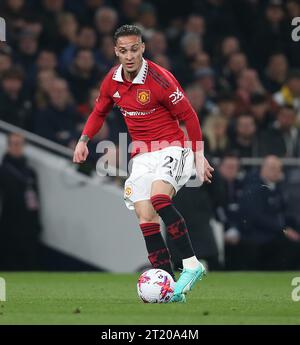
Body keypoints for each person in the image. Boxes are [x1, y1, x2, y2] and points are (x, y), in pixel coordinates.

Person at [73, 25, 214, 303]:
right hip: (141, 156)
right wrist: (83, 140)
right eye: (123, 50)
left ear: (142, 48)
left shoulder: (160, 79)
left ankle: (191, 263)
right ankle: (169, 287)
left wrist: (198, 155)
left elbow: (190, 116)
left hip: (171, 148)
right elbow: (99, 110)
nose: (129, 56)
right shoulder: (111, 82)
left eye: (134, 49)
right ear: (116, 51)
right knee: (146, 217)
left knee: (160, 199)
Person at [0, 133, 41, 270]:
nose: (17, 147)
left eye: (20, 144)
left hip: (28, 224)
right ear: (8, 146)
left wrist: (37, 223)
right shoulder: (3, 171)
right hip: (8, 224)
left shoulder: (30, 172)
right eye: (14, 144)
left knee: (30, 264)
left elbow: (36, 199)